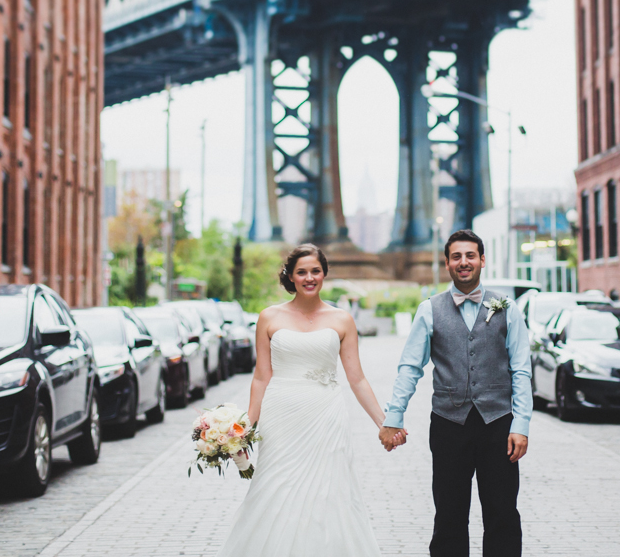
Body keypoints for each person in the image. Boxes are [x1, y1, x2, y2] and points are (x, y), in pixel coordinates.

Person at [217, 244, 391, 557]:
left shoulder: (342, 319)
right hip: (281, 415)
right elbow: (261, 376)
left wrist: (385, 422)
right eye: (302, 272)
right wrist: (245, 428)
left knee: (328, 491)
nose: (309, 277)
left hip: (325, 415)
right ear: (291, 277)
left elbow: (357, 378)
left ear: (324, 274)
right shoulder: (269, 317)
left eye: (315, 271)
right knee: (276, 487)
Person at [380, 229, 531, 557]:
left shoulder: (508, 309)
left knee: (502, 513)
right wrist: (394, 417)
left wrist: (521, 424)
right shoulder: (429, 309)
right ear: (447, 263)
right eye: (457, 257)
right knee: (449, 515)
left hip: (499, 424)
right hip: (449, 424)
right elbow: (410, 368)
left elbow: (521, 370)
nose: (464, 262)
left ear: (482, 260)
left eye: (471, 256)